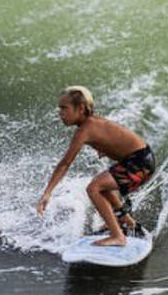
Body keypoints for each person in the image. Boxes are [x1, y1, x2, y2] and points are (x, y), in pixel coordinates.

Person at [36, 86, 156, 246]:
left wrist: (47, 193)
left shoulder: (85, 130)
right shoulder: (93, 123)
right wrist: (105, 148)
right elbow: (113, 137)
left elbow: (65, 164)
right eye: (59, 108)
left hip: (140, 164)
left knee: (94, 188)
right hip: (141, 159)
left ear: (80, 109)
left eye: (64, 108)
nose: (60, 112)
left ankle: (117, 236)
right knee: (102, 185)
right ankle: (128, 223)